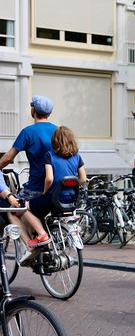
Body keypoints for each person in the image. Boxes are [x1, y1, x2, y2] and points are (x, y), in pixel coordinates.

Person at [20, 126, 87, 254]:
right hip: (71, 199)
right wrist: (71, 183)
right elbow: (83, 178)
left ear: (55, 141)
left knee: (25, 207)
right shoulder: (77, 157)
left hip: (54, 197)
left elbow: (49, 178)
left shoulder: (49, 155)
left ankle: (42, 235)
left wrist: (45, 192)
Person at [0, 95, 58, 200]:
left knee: (11, 209)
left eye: (32, 105)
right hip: (56, 188)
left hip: (35, 188)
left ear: (34, 109)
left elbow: (8, 157)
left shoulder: (28, 132)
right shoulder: (58, 131)